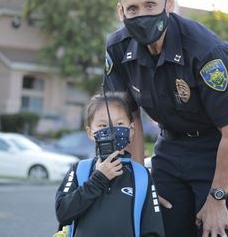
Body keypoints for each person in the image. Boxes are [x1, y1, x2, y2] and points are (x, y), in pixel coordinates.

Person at [103, 0, 228, 237]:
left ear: (168, 3)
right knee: (159, 227)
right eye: (133, 8)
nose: (142, 14)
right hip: (172, 146)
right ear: (121, 11)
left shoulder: (204, 51)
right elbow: (128, 119)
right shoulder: (118, 49)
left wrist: (217, 198)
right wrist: (140, 181)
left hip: (222, 144)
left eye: (150, 5)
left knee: (216, 229)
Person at [55, 91, 165, 237]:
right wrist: (98, 179)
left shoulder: (141, 175)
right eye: (103, 125)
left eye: (120, 124)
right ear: (90, 133)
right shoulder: (79, 170)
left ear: (131, 130)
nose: (112, 130)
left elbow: (153, 229)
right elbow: (63, 213)